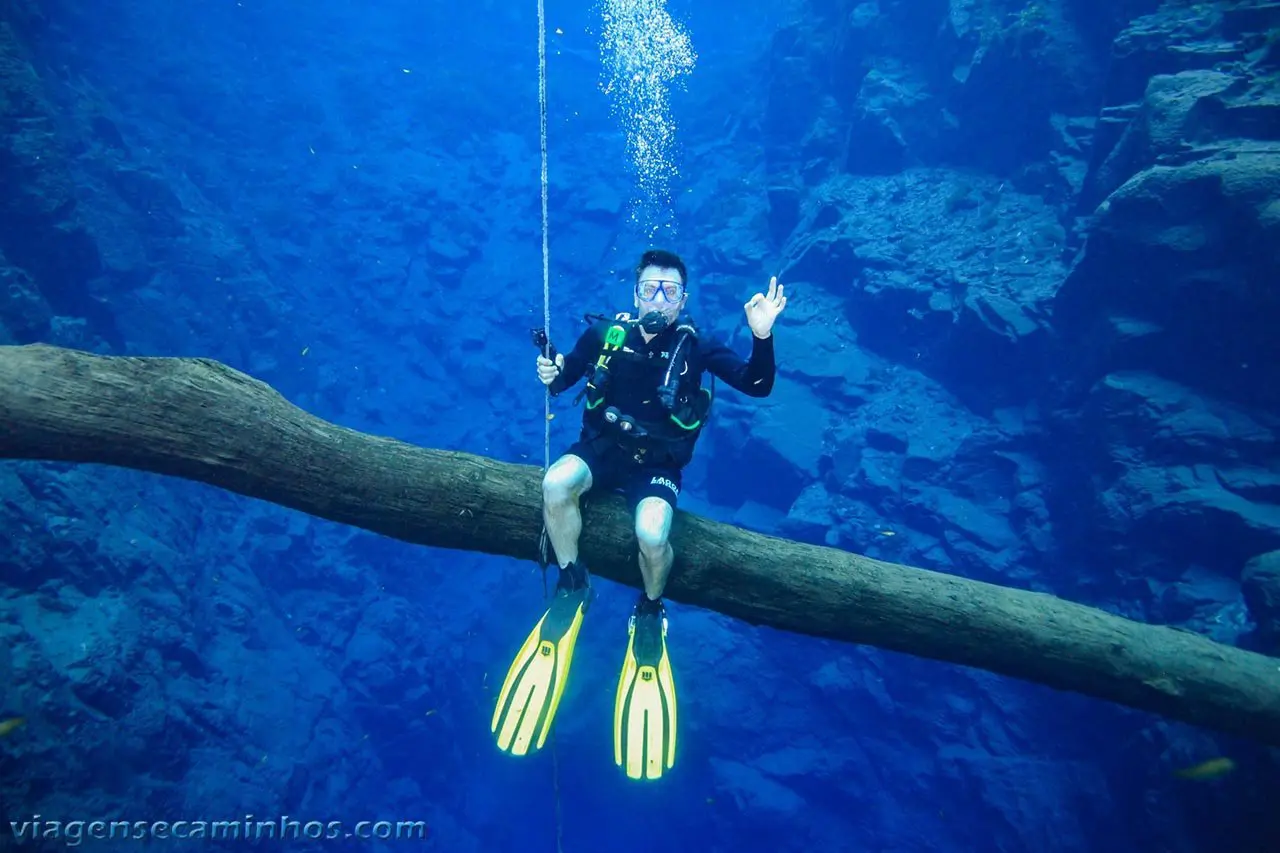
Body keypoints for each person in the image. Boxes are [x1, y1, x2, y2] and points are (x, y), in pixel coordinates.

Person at [490, 249, 786, 781]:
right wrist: (550, 369)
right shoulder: (607, 335)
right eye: (650, 289)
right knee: (555, 483)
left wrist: (761, 334)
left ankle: (650, 611)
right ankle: (573, 582)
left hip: (656, 466)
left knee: (652, 533)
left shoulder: (695, 348)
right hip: (600, 452)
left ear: (683, 300)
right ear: (635, 293)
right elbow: (563, 381)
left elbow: (758, 384)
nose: (658, 300)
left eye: (670, 292)